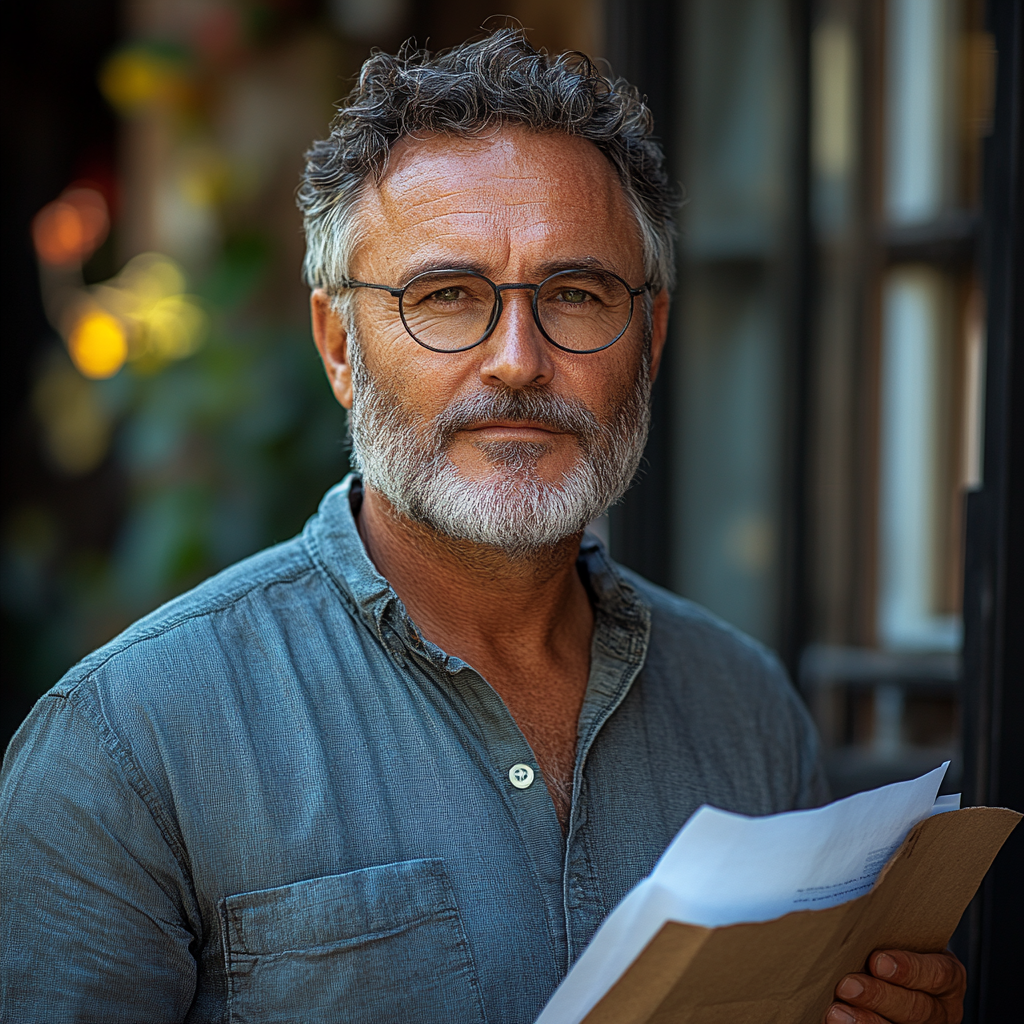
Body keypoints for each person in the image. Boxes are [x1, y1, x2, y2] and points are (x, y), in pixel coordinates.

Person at [1, 30, 966, 1024]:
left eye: (576, 295)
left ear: (653, 336)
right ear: (339, 345)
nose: (516, 359)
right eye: (447, 297)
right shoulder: (128, 745)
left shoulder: (745, 713)